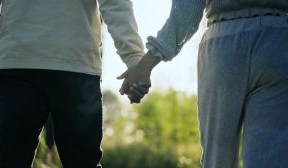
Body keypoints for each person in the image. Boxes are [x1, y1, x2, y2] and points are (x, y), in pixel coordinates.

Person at [119, 0, 288, 167]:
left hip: (223, 43)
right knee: (271, 159)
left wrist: (146, 64)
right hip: (277, 42)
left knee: (217, 159)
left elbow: (187, 9)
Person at [0, 0, 145, 167]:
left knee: (12, 160)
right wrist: (135, 60)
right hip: (75, 62)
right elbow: (115, 3)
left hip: (17, 60)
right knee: (83, 162)